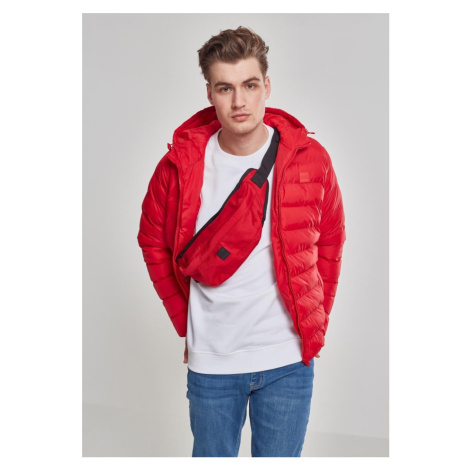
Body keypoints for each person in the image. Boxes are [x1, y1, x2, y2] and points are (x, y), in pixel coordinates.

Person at [137, 26, 346, 457]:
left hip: (288, 361)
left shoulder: (310, 159)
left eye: (249, 85)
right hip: (213, 362)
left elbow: (330, 241)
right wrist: (187, 323)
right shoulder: (179, 166)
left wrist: (314, 322)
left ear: (266, 86)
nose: (239, 101)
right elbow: (152, 242)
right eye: (225, 88)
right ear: (210, 93)